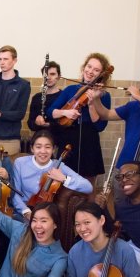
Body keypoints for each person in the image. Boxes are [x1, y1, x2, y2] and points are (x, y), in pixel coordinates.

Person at [46, 53, 112, 190]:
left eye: (96, 70)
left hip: (89, 143)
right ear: (84, 68)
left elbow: (100, 126)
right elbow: (51, 112)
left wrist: (93, 103)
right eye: (89, 66)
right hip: (68, 141)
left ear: (102, 74)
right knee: (62, 187)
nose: (90, 71)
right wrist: (66, 112)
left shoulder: (104, 95)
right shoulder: (70, 90)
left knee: (88, 188)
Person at [12, 130, 92, 221]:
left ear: (53, 149)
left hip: (47, 215)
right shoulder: (20, 163)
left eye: (47, 147)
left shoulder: (58, 166)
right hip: (24, 211)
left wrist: (63, 178)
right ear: (32, 148)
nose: (43, 151)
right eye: (38, 147)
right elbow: (15, 193)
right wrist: (26, 212)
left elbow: (88, 186)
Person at [0, 45, 31, 157]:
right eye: (0, 59)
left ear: (14, 60)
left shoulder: (23, 85)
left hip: (9, 139)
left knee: (6, 172)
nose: (2, 62)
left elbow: (20, 114)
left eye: (6, 59)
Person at [27, 61, 63, 132]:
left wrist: (49, 124)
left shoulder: (64, 96)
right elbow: (30, 124)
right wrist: (36, 122)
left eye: (52, 74)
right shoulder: (36, 97)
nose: (48, 77)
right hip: (39, 138)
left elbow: (66, 125)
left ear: (59, 76)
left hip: (58, 140)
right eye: (45, 75)